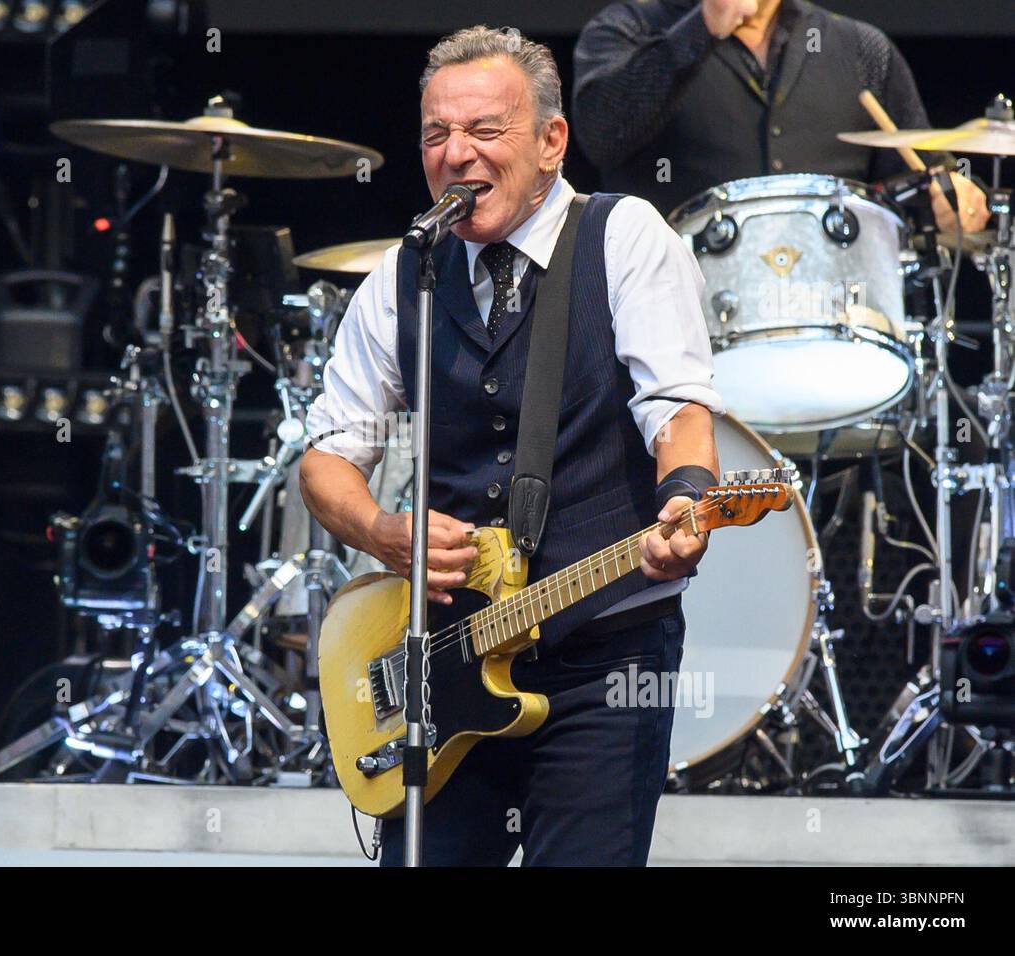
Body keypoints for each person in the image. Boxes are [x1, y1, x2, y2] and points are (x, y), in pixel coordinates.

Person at [300, 25, 723, 866]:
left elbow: (675, 403)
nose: (456, 154)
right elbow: (326, 457)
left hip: (603, 651)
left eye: (485, 131)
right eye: (435, 134)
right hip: (447, 661)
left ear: (551, 141)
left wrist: (687, 490)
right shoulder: (404, 274)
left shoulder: (624, 234)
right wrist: (384, 533)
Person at [572, 0, 989, 231]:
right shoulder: (627, 28)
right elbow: (600, 135)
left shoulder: (859, 47)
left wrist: (953, 202)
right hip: (672, 329)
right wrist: (701, 30)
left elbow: (923, 181)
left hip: (835, 322)